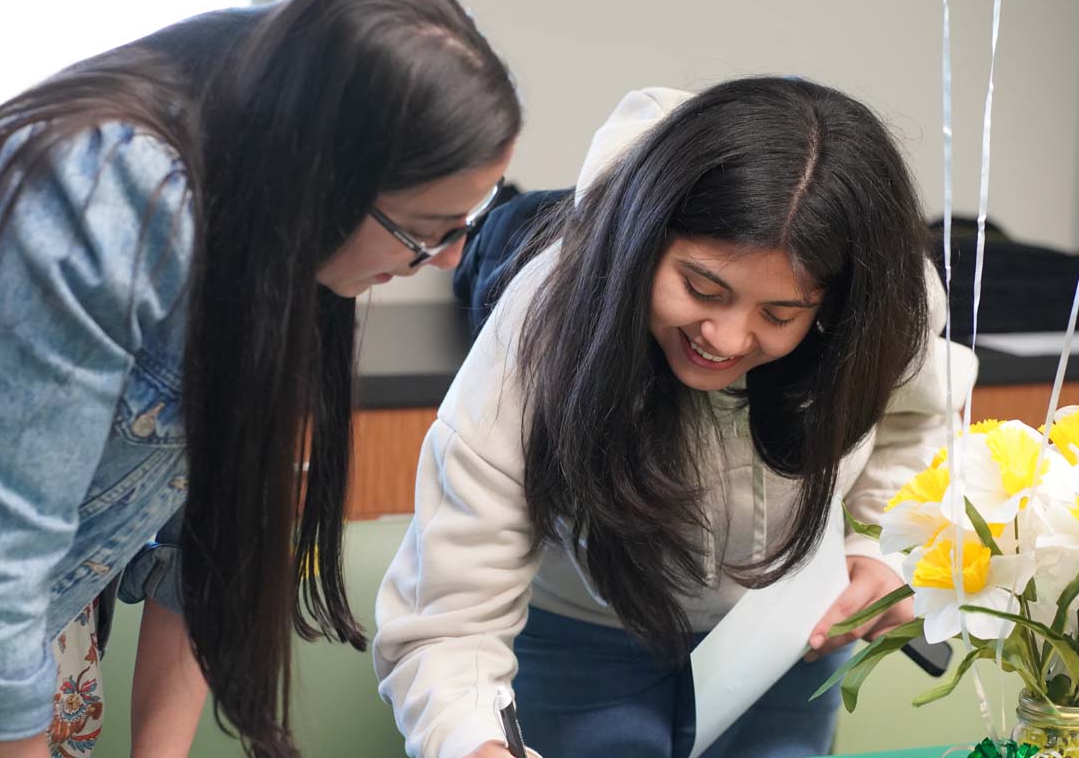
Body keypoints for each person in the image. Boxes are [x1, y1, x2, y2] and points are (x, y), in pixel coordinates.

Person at [0, 0, 520, 757]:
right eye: (427, 229)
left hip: (25, 642)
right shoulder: (106, 196)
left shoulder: (275, 236)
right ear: (325, 181)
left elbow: (210, 544)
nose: (445, 258)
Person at [374, 78, 977, 758]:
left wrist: (873, 547)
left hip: (775, 636)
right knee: (505, 242)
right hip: (585, 630)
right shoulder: (542, 323)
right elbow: (448, 621)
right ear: (648, 239)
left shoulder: (884, 305)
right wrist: (473, 741)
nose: (723, 337)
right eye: (702, 288)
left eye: (778, 315)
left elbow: (914, 422)